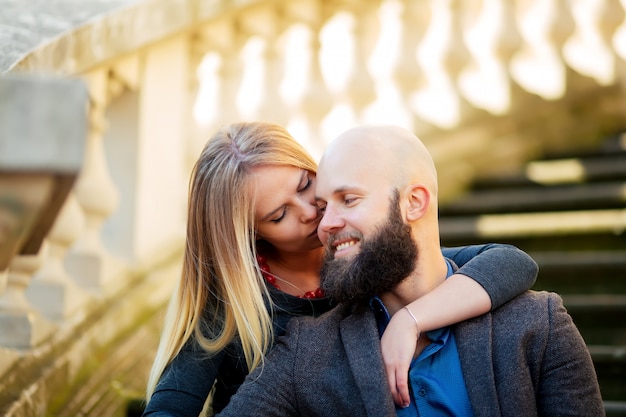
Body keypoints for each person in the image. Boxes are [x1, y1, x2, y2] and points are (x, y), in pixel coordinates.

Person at [143, 122, 539, 416]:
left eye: (304, 185)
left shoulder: (362, 258)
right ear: (251, 235)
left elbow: (510, 262)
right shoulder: (230, 309)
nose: (310, 212)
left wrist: (411, 320)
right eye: (279, 215)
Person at [215, 124, 604, 417]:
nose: (324, 224)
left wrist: (412, 320)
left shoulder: (538, 325)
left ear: (414, 203)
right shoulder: (305, 350)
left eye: (348, 199)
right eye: (322, 204)